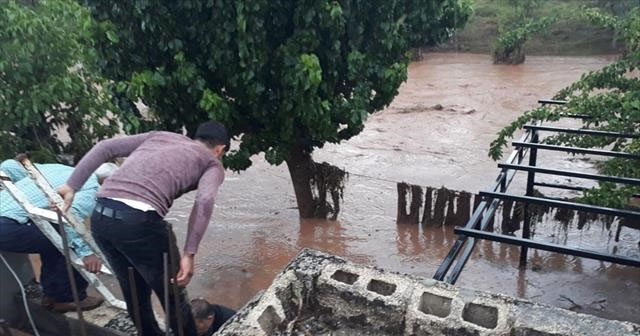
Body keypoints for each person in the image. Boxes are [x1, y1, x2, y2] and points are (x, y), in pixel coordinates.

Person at [57, 121, 229, 336]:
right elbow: (204, 200)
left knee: (134, 292)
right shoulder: (212, 163)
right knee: (172, 294)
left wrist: (72, 185)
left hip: (101, 216)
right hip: (139, 222)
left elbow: (105, 147)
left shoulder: (161, 136)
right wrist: (189, 253)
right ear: (220, 149)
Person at [0, 159, 117, 312]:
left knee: (52, 237)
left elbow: (9, 165)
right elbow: (70, 216)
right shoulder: (92, 187)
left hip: (7, 219)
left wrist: (18, 194)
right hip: (6, 226)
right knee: (70, 243)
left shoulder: (59, 168)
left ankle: (52, 295)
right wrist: (87, 253)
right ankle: (67, 298)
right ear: (107, 181)